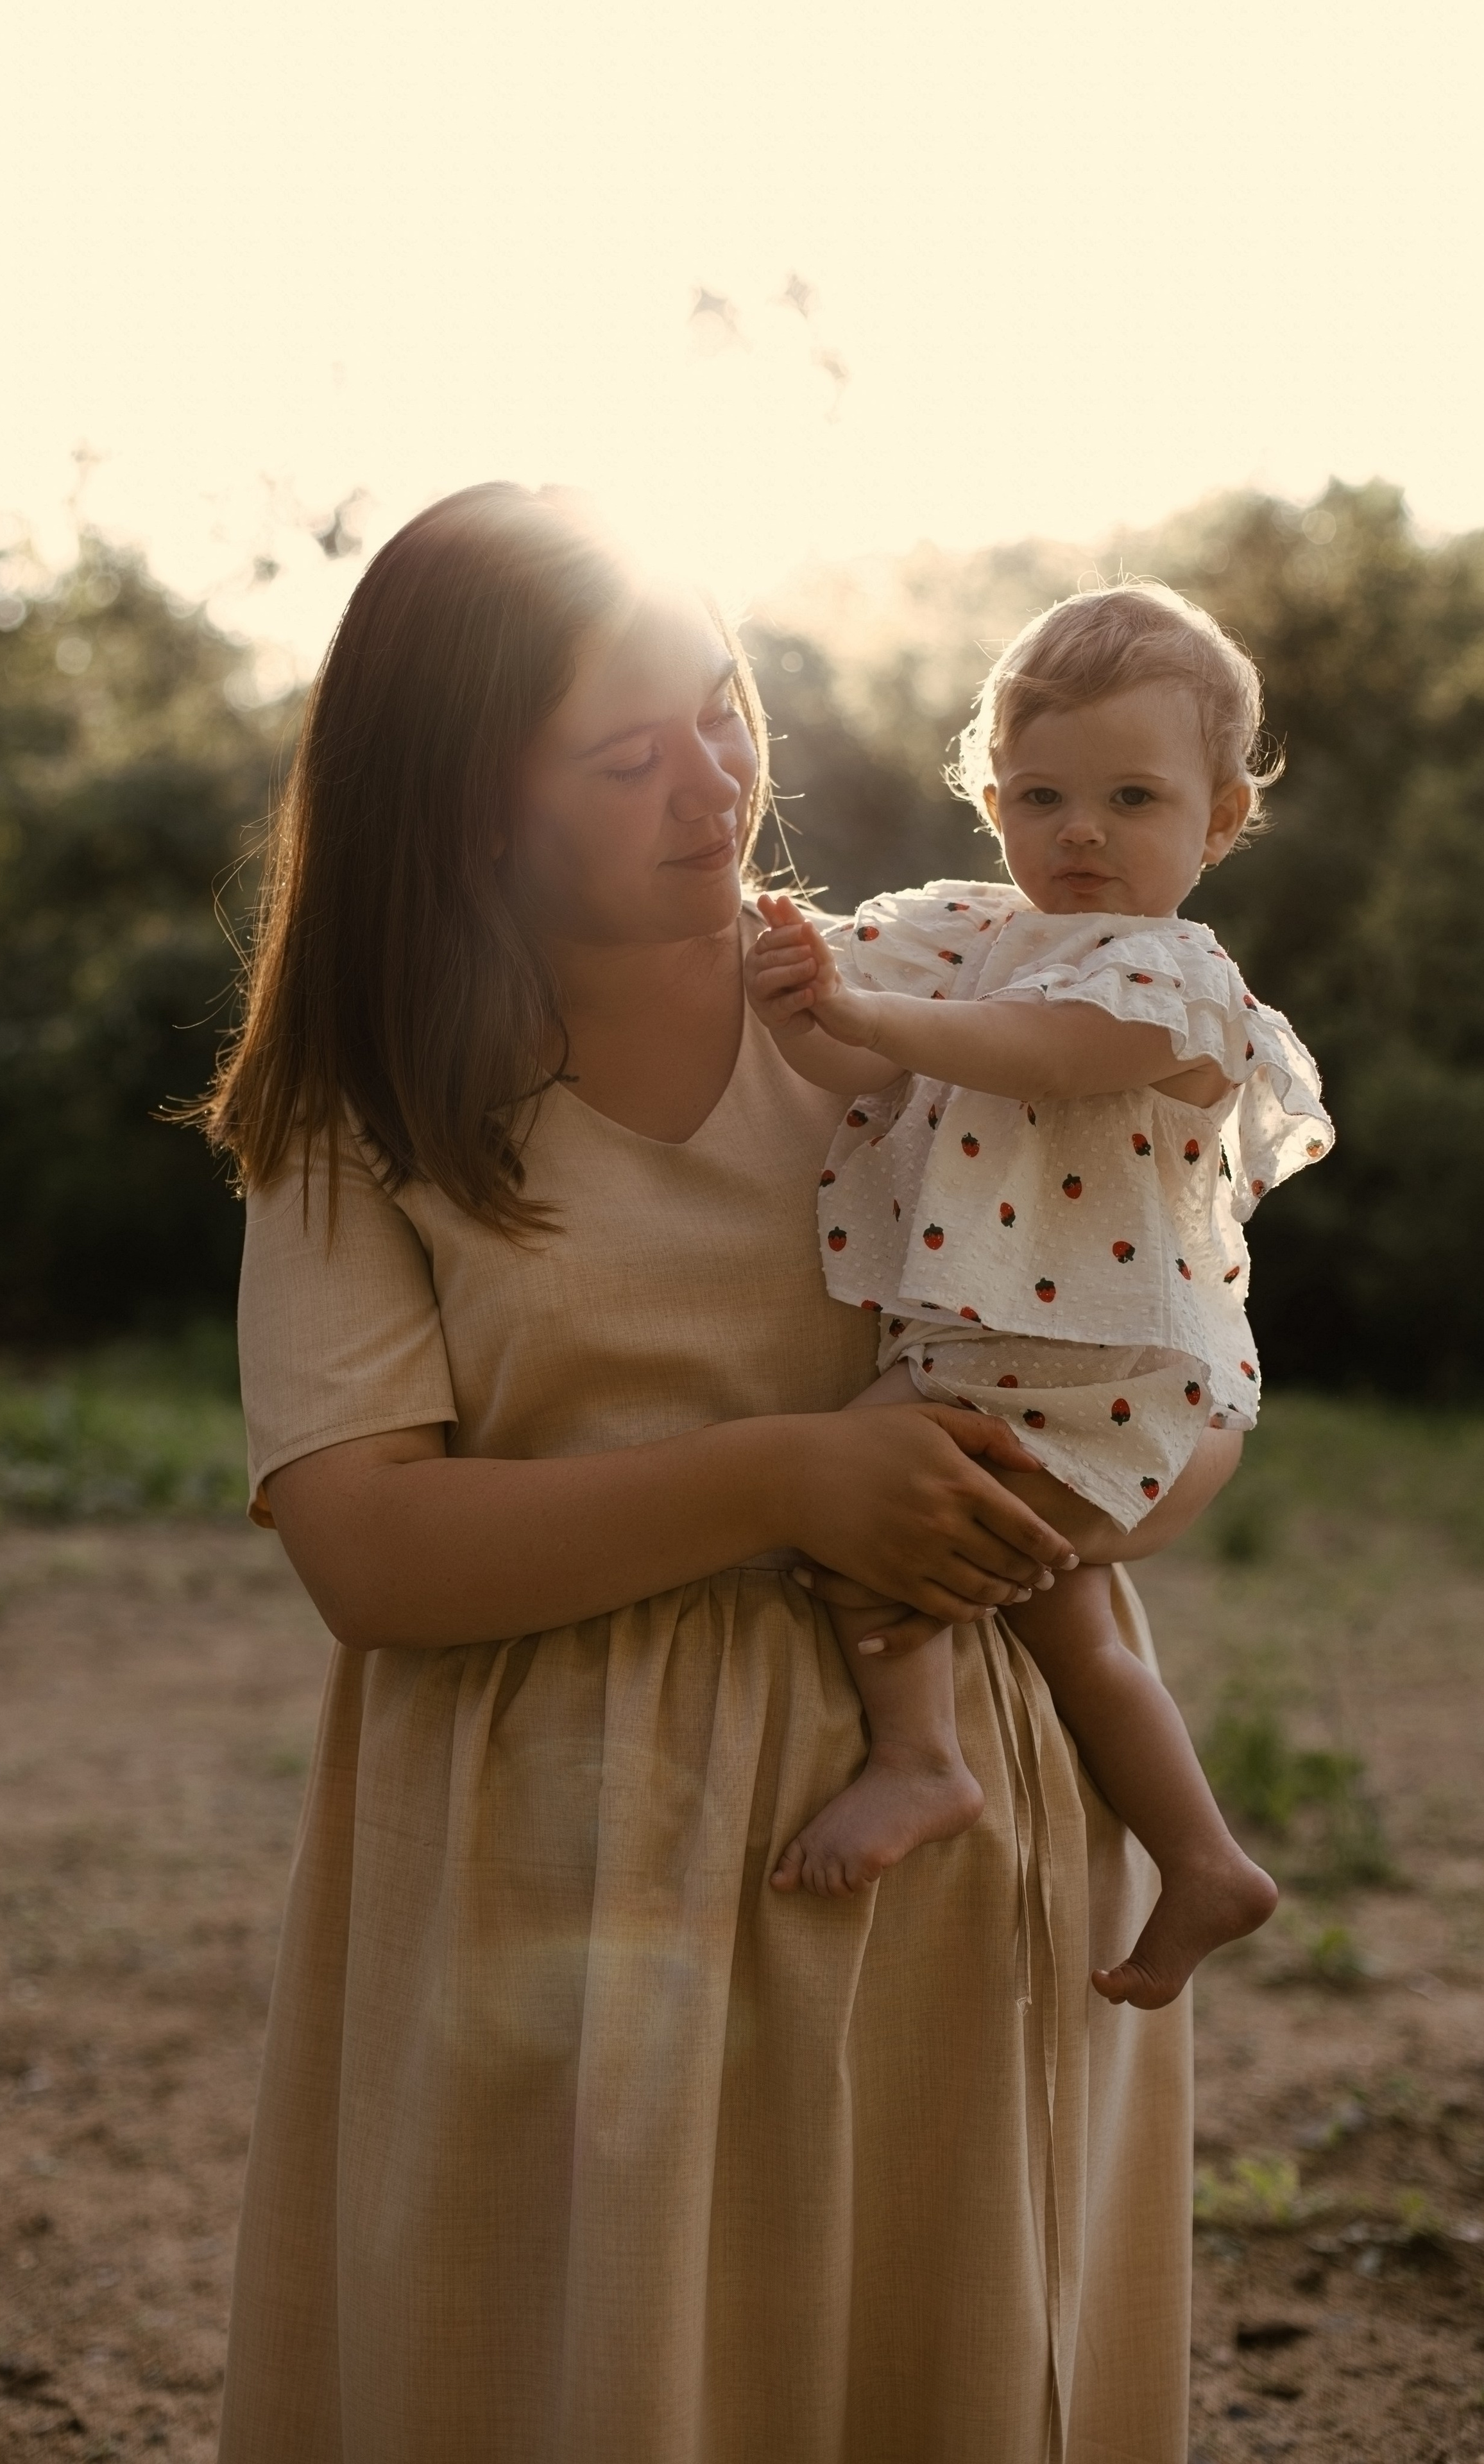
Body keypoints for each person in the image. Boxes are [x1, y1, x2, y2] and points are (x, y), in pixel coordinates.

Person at [203, 487, 1240, 2463]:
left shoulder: (921, 1010)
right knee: (577, 2375)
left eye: (726, 710)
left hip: (945, 1867)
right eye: (625, 757)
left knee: (925, 2366)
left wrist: (1085, 1497)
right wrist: (785, 1481)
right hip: (558, 1889)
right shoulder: (370, 1102)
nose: (714, 783)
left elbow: (1173, 1359)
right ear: (467, 805)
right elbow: (364, 1546)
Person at [744, 581, 1331, 2008]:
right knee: (1067, 1620)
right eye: (1041, 796)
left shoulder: (1178, 984)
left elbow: (1044, 1054)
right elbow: (852, 1065)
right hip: (1012, 1352)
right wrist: (804, 1006)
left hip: (1086, 1358)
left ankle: (921, 1759)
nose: (1080, 832)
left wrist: (867, 1012)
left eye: (1132, 798)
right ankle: (1204, 1860)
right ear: (989, 798)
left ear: (1217, 822)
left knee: (859, 1504)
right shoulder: (965, 934)